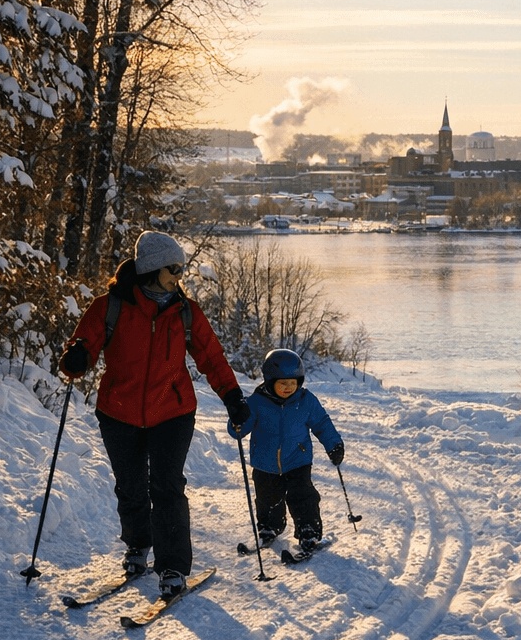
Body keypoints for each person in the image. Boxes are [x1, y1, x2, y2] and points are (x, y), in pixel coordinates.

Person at [60, 231, 249, 599]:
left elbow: (211, 357)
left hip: (172, 412)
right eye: (173, 268)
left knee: (167, 486)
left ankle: (173, 566)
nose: (180, 275)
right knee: (130, 485)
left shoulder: (185, 312)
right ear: (152, 268)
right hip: (118, 411)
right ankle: (137, 545)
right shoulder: (109, 307)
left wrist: (232, 395)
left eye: (181, 268)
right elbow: (82, 347)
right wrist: (76, 357)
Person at [227, 349, 344, 553]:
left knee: (303, 496)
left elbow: (322, 423)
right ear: (270, 381)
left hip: (298, 460)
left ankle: (308, 530)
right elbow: (239, 430)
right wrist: (237, 421)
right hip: (265, 463)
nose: (289, 387)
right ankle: (268, 528)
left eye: (293, 382)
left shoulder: (306, 400)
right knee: (267, 499)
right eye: (283, 383)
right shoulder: (255, 402)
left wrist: (333, 444)